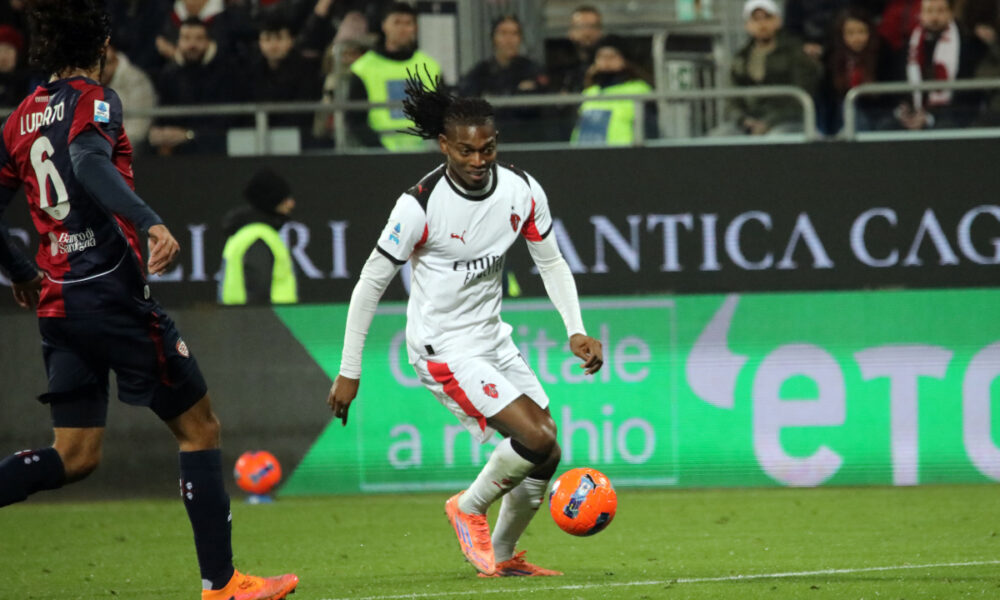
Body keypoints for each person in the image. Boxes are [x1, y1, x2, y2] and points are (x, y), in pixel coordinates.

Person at [0, 2, 298, 599]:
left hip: (60, 306)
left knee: (75, 455)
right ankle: (223, 583)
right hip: (111, 294)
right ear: (103, 47)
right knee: (200, 428)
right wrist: (149, 221)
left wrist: (20, 270)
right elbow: (87, 163)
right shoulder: (96, 100)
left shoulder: (18, 121)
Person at [326, 72, 604, 577]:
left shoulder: (522, 190)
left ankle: (501, 555)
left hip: (492, 340)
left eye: (488, 149)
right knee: (538, 436)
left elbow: (552, 262)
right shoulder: (419, 205)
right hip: (442, 350)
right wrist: (350, 370)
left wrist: (575, 329)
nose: (478, 161)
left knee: (546, 455)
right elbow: (369, 283)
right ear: (444, 146)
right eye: (466, 151)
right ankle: (468, 507)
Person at [714, 0, 822, 136]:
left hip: (787, 121)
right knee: (721, 136)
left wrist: (769, 122)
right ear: (747, 25)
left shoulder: (795, 52)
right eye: (756, 19)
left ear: (778, 21)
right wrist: (744, 120)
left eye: (767, 17)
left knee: (777, 138)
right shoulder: (740, 58)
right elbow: (732, 99)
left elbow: (801, 95)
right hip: (749, 123)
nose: (762, 24)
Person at [345, 2, 442, 150]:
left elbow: (443, 113)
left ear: (415, 28)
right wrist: (379, 149)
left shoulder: (430, 66)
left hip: (425, 153)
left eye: (408, 23)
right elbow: (355, 121)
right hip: (379, 155)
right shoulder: (364, 68)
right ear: (384, 25)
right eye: (397, 22)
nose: (403, 29)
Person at [878, 0, 981, 130]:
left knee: (945, 126)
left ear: (950, 13)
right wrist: (903, 111)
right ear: (920, 14)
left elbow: (967, 94)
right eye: (929, 11)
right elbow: (898, 83)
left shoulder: (966, 45)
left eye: (940, 11)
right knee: (886, 126)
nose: (934, 17)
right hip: (913, 112)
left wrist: (929, 117)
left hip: (950, 113)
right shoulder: (909, 46)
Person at [149, 17, 244, 155]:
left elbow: (227, 120)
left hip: (216, 150)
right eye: (186, 38)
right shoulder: (169, 75)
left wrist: (190, 135)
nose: (192, 45)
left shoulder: (227, 72)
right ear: (178, 42)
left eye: (199, 39)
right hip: (176, 148)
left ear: (208, 42)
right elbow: (164, 114)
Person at [458, 15, 549, 143]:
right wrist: (516, 93)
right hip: (489, 142)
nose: (509, 39)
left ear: (520, 38)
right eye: (503, 33)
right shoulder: (481, 71)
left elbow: (535, 106)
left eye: (514, 34)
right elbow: (468, 104)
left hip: (526, 140)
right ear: (493, 38)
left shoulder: (531, 69)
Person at [219, 168, 298, 306]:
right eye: (285, 198)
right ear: (272, 200)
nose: (292, 203)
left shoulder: (248, 233)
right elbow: (258, 292)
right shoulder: (258, 237)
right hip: (268, 323)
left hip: (246, 322)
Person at [571, 35, 657, 145]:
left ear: (624, 60)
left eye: (612, 56)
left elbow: (650, 128)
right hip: (585, 154)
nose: (606, 61)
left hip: (624, 155)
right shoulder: (589, 92)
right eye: (601, 56)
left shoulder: (639, 89)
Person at [820, 7, 884, 133]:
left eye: (861, 32)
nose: (857, 38)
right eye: (850, 33)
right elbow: (828, 96)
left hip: (879, 111)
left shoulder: (883, 54)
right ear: (841, 35)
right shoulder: (832, 58)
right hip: (844, 114)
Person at [99, 44, 157, 145]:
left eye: (106, 63)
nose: (101, 69)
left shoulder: (137, 81)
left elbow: (137, 129)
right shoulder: (92, 84)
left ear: (116, 61)